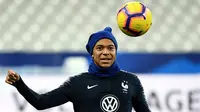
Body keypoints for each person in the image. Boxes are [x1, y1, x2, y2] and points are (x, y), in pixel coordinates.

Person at [5, 26, 151, 112]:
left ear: (115, 51)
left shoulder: (131, 81)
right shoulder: (76, 83)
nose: (106, 52)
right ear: (92, 53)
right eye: (99, 48)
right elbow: (41, 103)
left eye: (110, 48)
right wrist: (19, 83)